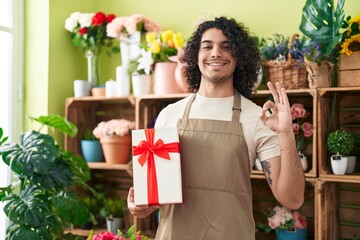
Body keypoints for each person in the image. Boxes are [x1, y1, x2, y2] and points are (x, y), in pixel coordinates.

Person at [127, 16, 305, 239]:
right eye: (207, 46)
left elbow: (292, 199)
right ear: (195, 56)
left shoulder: (255, 118)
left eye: (226, 47)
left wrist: (286, 134)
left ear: (238, 57)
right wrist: (140, 204)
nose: (215, 53)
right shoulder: (170, 115)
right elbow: (156, 194)